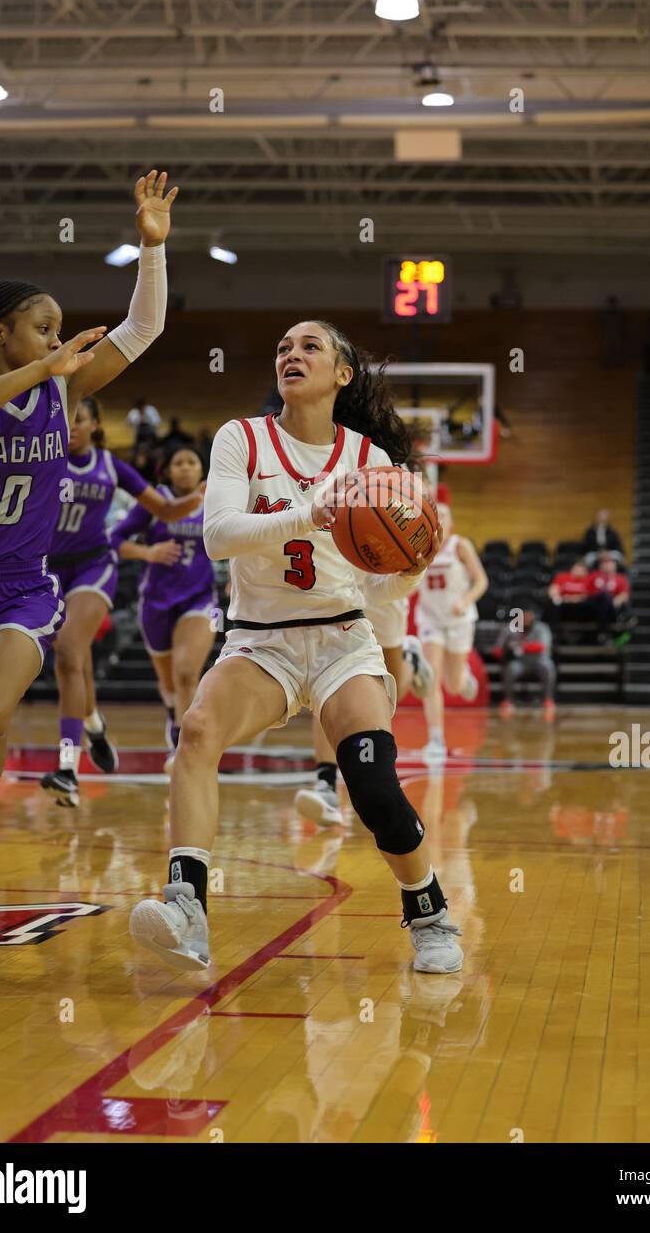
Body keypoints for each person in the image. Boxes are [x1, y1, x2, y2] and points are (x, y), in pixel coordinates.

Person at [129, 319, 463, 974]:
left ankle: (428, 911)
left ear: (342, 374)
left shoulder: (371, 462)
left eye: (310, 346)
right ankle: (186, 908)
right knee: (197, 731)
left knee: (371, 783)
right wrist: (310, 512)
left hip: (343, 639)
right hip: (261, 644)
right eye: (283, 346)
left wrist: (410, 571)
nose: (292, 354)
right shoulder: (242, 439)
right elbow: (218, 535)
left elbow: (376, 590)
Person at [0, 169, 179, 938]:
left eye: (60, 329)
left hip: (17, 589)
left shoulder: (61, 393)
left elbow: (142, 331)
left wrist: (150, 247)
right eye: (43, 327)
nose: (59, 338)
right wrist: (42, 366)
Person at [42, 398, 205, 808]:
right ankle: (94, 725)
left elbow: (165, 509)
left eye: (79, 420)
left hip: (96, 567)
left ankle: (67, 768)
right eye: (65, 420)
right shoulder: (43, 456)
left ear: (96, 425)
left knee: (68, 654)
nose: (71, 427)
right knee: (74, 659)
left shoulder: (111, 467)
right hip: (49, 570)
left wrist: (199, 499)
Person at [111, 446, 215, 772]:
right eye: (178, 462)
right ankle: (173, 715)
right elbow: (116, 540)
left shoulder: (215, 496)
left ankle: (186, 746)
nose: (185, 468)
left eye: (192, 462)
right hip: (155, 601)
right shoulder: (156, 502)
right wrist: (149, 552)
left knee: (186, 674)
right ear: (168, 471)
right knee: (169, 684)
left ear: (201, 469)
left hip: (200, 600)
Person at [295, 593, 433, 828]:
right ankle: (325, 785)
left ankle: (410, 660)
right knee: (328, 676)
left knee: (391, 689)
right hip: (339, 583)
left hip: (383, 582)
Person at [414, 499, 488, 760]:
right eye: (437, 516)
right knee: (431, 679)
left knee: (453, 685)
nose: (441, 520)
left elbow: (481, 581)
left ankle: (463, 678)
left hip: (459, 620)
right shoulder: (417, 545)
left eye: (446, 516)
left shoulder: (461, 546)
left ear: (452, 522)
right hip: (430, 619)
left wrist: (465, 601)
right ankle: (436, 738)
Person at [497, 607, 556, 721]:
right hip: (520, 661)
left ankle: (548, 700)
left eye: (528, 615)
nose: (526, 618)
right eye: (523, 615)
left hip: (539, 660)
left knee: (548, 666)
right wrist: (506, 651)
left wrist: (520, 646)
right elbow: (498, 649)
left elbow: (541, 646)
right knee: (510, 669)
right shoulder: (510, 628)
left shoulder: (542, 628)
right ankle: (508, 700)